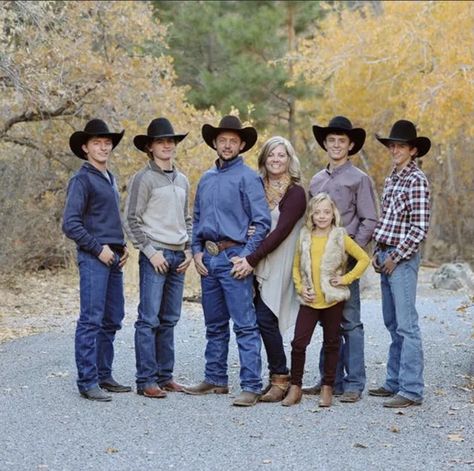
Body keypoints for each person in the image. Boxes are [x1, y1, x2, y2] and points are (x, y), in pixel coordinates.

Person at [184, 115, 271, 407]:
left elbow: (262, 222)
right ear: (215, 143)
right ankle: (215, 378)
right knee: (214, 324)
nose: (227, 145)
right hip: (208, 260)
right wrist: (196, 250)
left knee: (245, 324)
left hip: (235, 259)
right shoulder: (206, 179)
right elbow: (196, 220)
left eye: (233, 140)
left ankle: (251, 385)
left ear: (242, 144)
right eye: (223, 140)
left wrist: (247, 257)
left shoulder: (248, 178)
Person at [305, 116, 378, 403]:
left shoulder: (359, 179)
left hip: (345, 262)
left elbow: (369, 219)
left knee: (350, 321)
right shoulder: (317, 181)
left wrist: (350, 252)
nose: (336, 145)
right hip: (320, 263)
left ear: (350, 146)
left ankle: (354, 383)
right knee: (327, 321)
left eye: (342, 141)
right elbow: (311, 222)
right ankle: (329, 380)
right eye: (331, 140)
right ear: (325, 143)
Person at [232, 136, 306, 402]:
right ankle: (276, 375)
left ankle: (281, 378)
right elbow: (243, 220)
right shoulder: (256, 187)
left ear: (289, 160)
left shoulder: (295, 193)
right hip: (258, 258)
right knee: (259, 318)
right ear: (264, 159)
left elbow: (281, 232)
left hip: (281, 261)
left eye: (281, 155)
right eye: (271, 155)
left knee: (266, 316)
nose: (276, 159)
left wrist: (251, 258)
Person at [123, 118, 192, 399]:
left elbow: (187, 219)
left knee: (170, 319)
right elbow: (131, 220)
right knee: (149, 319)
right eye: (161, 141)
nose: (167, 145)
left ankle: (166, 376)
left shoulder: (183, 179)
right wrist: (150, 253)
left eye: (171, 141)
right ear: (150, 147)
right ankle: (146, 379)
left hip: (179, 256)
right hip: (156, 255)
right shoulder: (144, 178)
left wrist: (188, 250)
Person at [63, 119, 131, 402]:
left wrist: (121, 244)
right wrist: (98, 248)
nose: (103, 147)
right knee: (91, 319)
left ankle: (104, 375)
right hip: (94, 258)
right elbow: (71, 224)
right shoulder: (82, 179)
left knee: (112, 318)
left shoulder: (109, 177)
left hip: (113, 256)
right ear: (85, 147)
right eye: (96, 143)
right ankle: (87, 381)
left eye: (107, 143)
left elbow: (106, 218)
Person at [283, 193, 370, 408]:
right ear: (311, 215)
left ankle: (327, 387)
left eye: (326, 212)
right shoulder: (304, 236)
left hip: (332, 299)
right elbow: (295, 267)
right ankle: (295, 387)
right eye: (317, 212)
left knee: (332, 342)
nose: (322, 216)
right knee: (298, 343)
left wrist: (345, 279)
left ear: (333, 215)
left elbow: (364, 259)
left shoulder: (340, 236)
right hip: (310, 299)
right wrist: (301, 288)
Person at [369, 120, 431, 408]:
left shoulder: (417, 180)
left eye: (400, 146)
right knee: (392, 323)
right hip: (385, 253)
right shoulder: (393, 178)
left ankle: (411, 389)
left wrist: (395, 256)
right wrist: (377, 250)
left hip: (401, 259)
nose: (394, 150)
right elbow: (386, 219)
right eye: (392, 145)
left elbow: (419, 229)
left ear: (413, 150)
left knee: (407, 325)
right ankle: (393, 382)